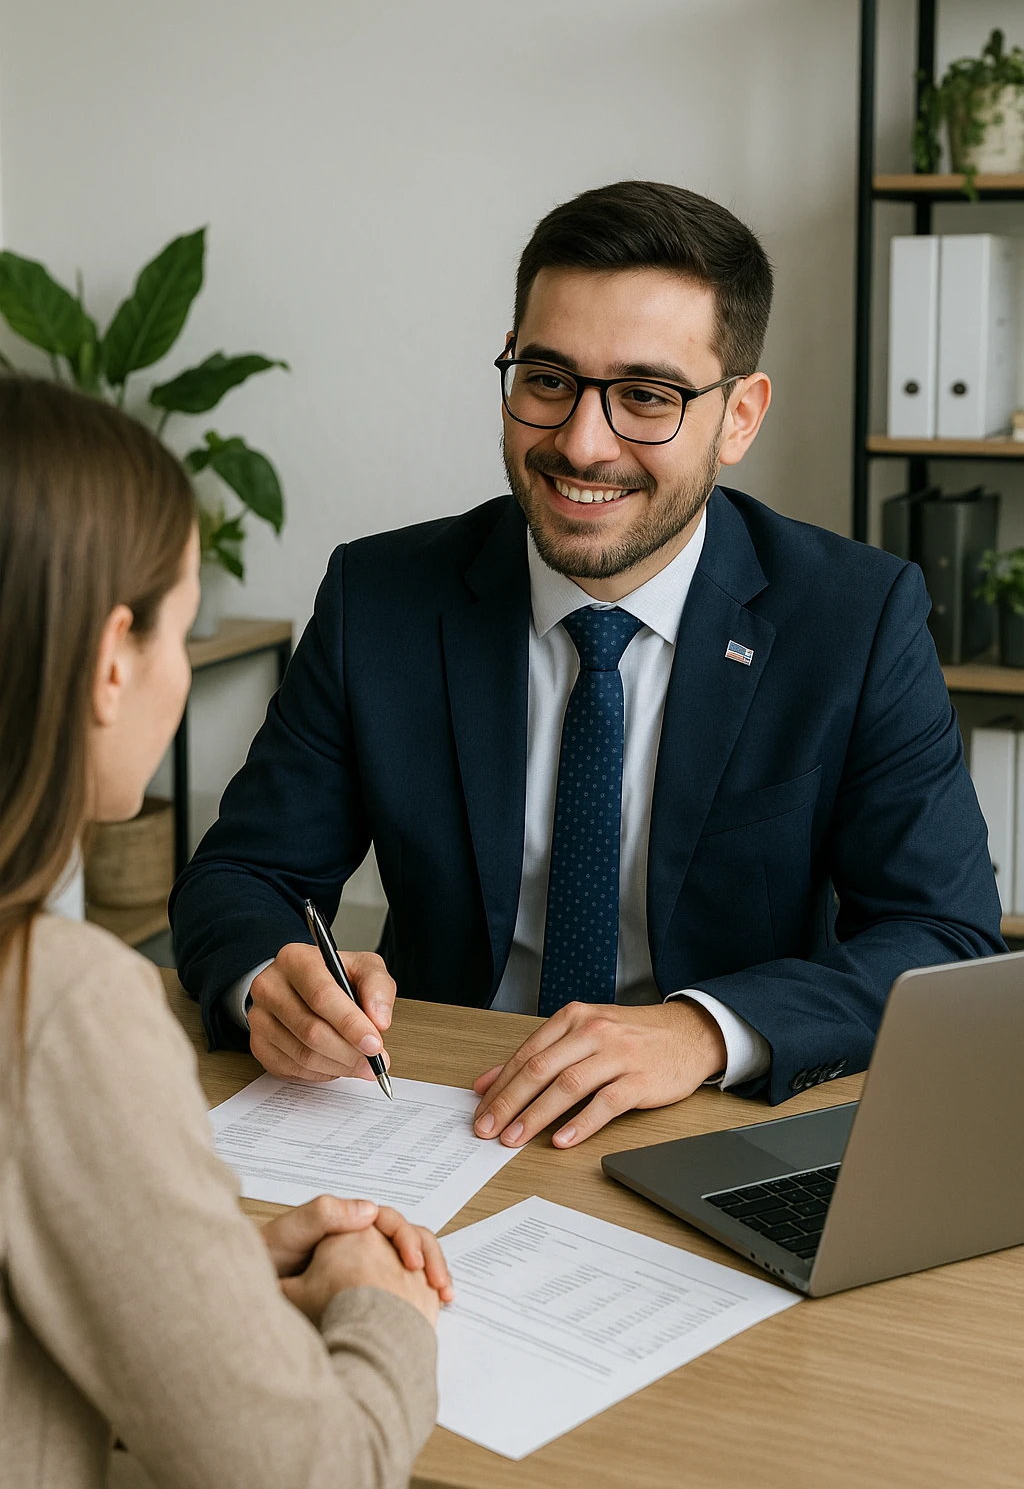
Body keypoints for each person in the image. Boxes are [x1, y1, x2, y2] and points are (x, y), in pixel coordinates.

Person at [171, 179, 1002, 1156]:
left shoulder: (854, 617)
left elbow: (941, 937)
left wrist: (700, 1031)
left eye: (646, 396)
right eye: (546, 378)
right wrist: (267, 979)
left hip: (713, 1125)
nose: (580, 442)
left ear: (739, 417)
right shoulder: (381, 597)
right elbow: (246, 872)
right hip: (433, 1111)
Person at [0, 377, 452, 1489]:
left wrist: (211, 1278)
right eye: (182, 619)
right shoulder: (54, 1002)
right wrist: (382, 1308)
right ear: (115, 656)